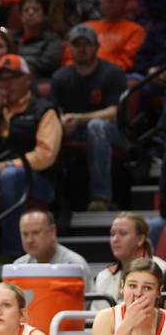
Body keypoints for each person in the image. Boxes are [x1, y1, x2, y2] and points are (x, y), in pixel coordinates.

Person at [0, 54, 62, 256]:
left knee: (10, 176)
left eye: (13, 78)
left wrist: (9, 166)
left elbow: (46, 155)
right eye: (2, 79)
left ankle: (13, 253)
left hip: (39, 180)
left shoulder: (44, 110)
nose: (7, 84)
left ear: (27, 79)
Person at [50, 24, 128, 212]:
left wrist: (78, 118)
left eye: (87, 44)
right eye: (77, 44)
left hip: (114, 131)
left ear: (96, 47)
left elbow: (114, 113)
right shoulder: (60, 77)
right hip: (74, 130)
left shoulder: (112, 73)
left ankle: (101, 197)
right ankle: (54, 204)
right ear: (70, 48)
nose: (82, 49)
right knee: (48, 128)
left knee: (96, 126)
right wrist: (61, 122)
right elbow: (53, 111)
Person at [62, 0, 145, 73]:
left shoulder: (135, 30)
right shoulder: (86, 26)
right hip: (79, 74)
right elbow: (69, 56)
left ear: (124, 3)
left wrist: (96, 71)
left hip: (112, 77)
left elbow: (127, 61)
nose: (110, 0)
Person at [94, 213, 166, 306]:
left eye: (123, 233)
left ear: (140, 239)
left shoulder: (163, 270)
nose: (115, 239)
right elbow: (94, 317)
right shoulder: (103, 276)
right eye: (112, 234)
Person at [14, 210, 92, 287]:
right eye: (25, 234)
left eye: (35, 233)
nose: (29, 240)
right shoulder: (18, 266)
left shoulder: (75, 265)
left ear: (52, 231)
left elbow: (88, 299)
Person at [15, 0, 64, 78]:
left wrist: (19, 66)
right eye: (26, 10)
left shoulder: (53, 40)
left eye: (36, 9)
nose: (30, 13)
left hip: (38, 80)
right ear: (21, 16)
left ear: (44, 15)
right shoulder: (13, 38)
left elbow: (47, 64)